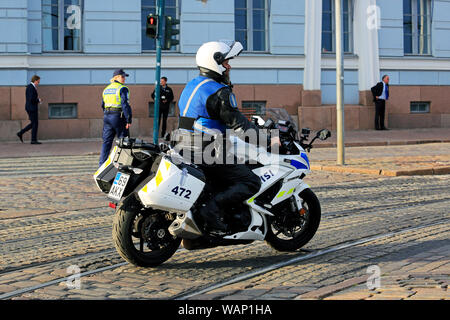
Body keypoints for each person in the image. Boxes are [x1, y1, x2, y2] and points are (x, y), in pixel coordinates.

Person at [175, 41, 277, 232]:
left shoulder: (193, 84)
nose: (229, 66)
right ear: (216, 62)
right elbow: (239, 126)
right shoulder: (219, 92)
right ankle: (211, 210)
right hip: (207, 149)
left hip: (182, 143)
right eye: (226, 62)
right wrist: (267, 140)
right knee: (250, 181)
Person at [98, 69, 132, 167]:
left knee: (106, 142)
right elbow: (125, 105)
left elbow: (102, 104)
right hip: (118, 116)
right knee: (124, 142)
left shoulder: (107, 89)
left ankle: (101, 165)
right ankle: (124, 165)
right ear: (116, 77)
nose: (124, 79)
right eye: (122, 76)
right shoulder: (122, 88)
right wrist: (128, 119)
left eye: (124, 77)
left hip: (107, 116)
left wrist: (107, 114)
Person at [17, 75, 42, 144]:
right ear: (35, 80)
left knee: (33, 123)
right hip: (32, 108)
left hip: (30, 107)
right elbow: (31, 99)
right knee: (35, 124)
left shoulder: (30, 87)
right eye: (38, 81)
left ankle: (20, 133)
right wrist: (38, 100)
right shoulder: (31, 87)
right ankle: (33, 140)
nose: (38, 83)